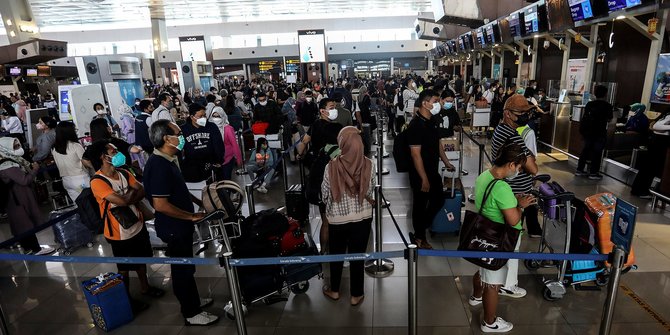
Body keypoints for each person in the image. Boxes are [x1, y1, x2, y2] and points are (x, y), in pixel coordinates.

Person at [143, 119, 218, 326]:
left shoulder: (169, 158)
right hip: (173, 227)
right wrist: (191, 216)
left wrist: (198, 203)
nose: (182, 137)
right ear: (167, 138)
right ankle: (191, 312)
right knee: (182, 270)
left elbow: (179, 190)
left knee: (188, 266)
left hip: (181, 225)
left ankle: (192, 300)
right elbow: (160, 205)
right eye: (178, 134)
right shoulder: (159, 165)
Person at [88, 140, 165, 313]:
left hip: (137, 223)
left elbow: (141, 190)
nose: (117, 153)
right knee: (123, 267)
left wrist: (128, 196)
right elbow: (123, 200)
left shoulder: (123, 172)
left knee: (141, 258)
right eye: (113, 151)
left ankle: (145, 287)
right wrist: (131, 194)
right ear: (103, 156)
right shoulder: (98, 181)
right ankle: (126, 299)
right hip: (118, 231)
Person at [468, 143, 536, 334]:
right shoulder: (502, 187)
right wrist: (521, 205)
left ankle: (475, 296)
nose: (519, 171)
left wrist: (512, 200)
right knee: (493, 282)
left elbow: (491, 201)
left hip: (483, 234)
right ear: (511, 164)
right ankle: (489, 322)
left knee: (483, 269)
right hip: (497, 239)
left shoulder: (485, 176)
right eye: (519, 167)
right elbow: (514, 219)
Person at [321, 126, 375, 306]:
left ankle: (335, 290)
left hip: (337, 219)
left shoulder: (331, 166)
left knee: (336, 255)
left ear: (342, 143)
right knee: (357, 256)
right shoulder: (369, 164)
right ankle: (356, 294)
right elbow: (371, 191)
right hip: (363, 218)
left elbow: (325, 194)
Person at [405, 89, 452, 249]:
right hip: (419, 173)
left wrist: (446, 162)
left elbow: (437, 143)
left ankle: (420, 230)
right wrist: (423, 178)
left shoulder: (432, 120)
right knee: (420, 204)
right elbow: (415, 155)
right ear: (425, 103)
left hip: (432, 170)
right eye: (435, 101)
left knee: (438, 199)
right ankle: (419, 238)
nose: (439, 104)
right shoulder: (415, 125)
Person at [0, 137, 55, 255]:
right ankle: (35, 249)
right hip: (18, 199)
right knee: (24, 223)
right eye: (14, 147)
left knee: (22, 223)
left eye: (18, 145)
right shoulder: (7, 165)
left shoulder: (11, 160)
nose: (18, 149)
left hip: (17, 197)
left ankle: (29, 248)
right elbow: (24, 180)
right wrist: (35, 170)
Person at [575, 85, 613, 180]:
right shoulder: (607, 106)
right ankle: (593, 173)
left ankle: (579, 170)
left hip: (588, 132)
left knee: (585, 150)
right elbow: (609, 119)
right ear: (605, 94)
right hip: (599, 132)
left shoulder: (589, 104)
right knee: (597, 152)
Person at [180, 103, 225, 183]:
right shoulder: (183, 130)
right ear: (192, 117)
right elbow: (179, 149)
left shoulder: (211, 127)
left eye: (204, 115)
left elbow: (219, 146)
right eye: (200, 116)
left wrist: (218, 161)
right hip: (192, 169)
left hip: (211, 166)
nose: (203, 118)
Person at [631, 109, 670, 198]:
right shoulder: (667, 115)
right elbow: (656, 126)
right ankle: (641, 191)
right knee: (650, 168)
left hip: (656, 143)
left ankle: (638, 189)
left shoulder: (665, 114)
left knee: (648, 168)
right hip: (660, 144)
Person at [52, 121, 91, 202]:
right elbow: (86, 162)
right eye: (74, 130)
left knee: (80, 207)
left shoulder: (54, 149)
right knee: (90, 204)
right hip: (80, 179)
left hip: (66, 180)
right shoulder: (75, 146)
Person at [210, 110, 242, 180]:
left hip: (227, 158)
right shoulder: (211, 129)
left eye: (218, 116)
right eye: (214, 116)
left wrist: (239, 159)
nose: (216, 119)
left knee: (226, 179)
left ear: (223, 116)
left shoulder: (228, 129)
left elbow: (234, 144)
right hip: (215, 160)